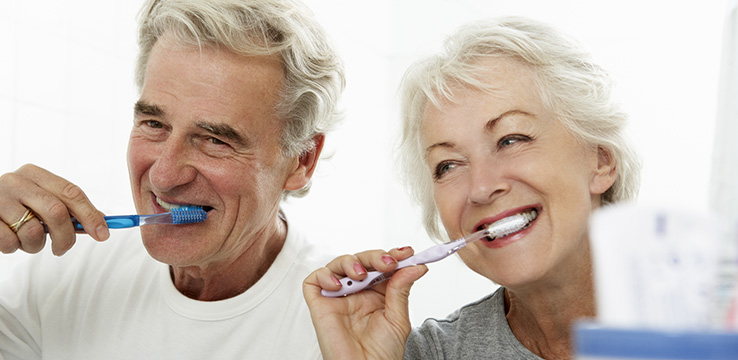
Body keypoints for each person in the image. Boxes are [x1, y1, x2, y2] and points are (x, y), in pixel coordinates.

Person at [0, 0, 344, 358]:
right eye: (154, 124)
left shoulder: (340, 328)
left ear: (301, 160)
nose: (163, 176)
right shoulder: (70, 273)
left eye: (215, 140)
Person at [303, 16, 641, 359]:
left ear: (601, 161)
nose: (480, 188)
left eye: (510, 139)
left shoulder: (690, 321)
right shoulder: (425, 354)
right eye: (448, 165)